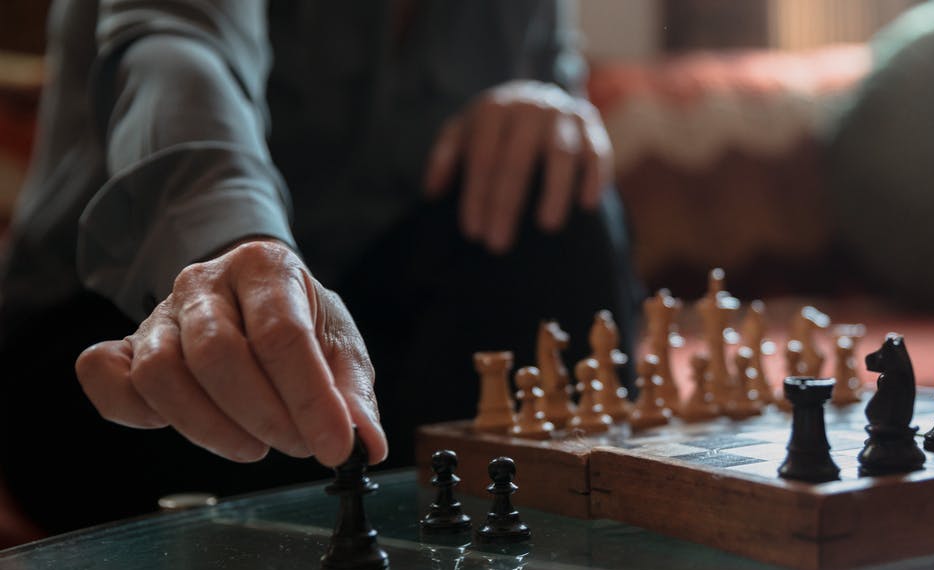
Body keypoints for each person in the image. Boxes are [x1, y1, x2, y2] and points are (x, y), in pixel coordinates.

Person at [0, 0, 638, 540]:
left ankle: (571, 523)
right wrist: (231, 247)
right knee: (268, 406)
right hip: (117, 337)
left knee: (566, 196)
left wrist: (545, 106)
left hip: (377, 347)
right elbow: (179, 50)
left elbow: (556, 99)